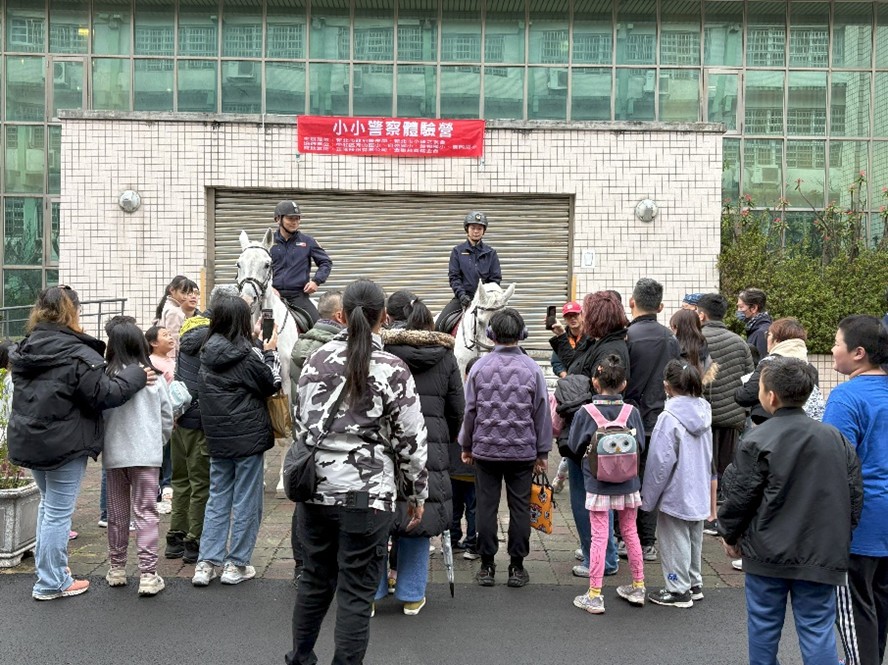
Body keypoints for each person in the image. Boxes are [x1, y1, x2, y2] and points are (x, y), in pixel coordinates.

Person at [286, 279, 428, 665]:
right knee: (355, 592)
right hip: (369, 497)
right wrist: (416, 495)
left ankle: (300, 657)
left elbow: (301, 422)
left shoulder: (315, 360)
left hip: (316, 491)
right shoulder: (392, 369)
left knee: (315, 582)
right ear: (384, 317)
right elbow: (411, 442)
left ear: (343, 316)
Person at [7, 286, 149, 601]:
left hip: (30, 439)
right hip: (64, 444)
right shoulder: (77, 352)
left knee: (49, 507)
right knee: (57, 511)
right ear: (72, 313)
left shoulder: (27, 347)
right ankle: (50, 582)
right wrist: (136, 377)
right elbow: (104, 394)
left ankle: (51, 573)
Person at [719, 357, 863, 665]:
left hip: (766, 552)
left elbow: (740, 496)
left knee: (763, 628)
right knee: (817, 630)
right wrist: (844, 532)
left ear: (770, 396)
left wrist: (729, 534)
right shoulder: (834, 437)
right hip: (822, 553)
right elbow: (853, 494)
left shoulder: (757, 438)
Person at [378, 290, 464, 615]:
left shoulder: (380, 351)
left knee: (379, 514)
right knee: (420, 516)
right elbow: (459, 410)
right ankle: (412, 595)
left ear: (388, 316)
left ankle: (372, 592)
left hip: (384, 444)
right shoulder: (445, 355)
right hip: (430, 446)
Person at [191, 296, 281, 587]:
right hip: (248, 439)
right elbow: (270, 383)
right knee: (245, 501)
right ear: (243, 321)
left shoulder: (206, 351)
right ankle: (235, 565)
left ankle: (206, 563)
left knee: (217, 498)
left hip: (217, 438)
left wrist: (254, 344)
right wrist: (268, 352)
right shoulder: (245, 355)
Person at [460, 307, 551, 588]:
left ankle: (487, 567)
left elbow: (470, 411)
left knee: (486, 507)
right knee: (520, 507)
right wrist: (543, 452)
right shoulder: (533, 369)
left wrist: (466, 444)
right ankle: (516, 567)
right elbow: (542, 413)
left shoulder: (478, 367)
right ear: (522, 335)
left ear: (491, 334)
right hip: (522, 452)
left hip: (485, 450)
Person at [823, 315, 888, 665]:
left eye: (837, 343)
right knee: (879, 603)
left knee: (854, 609)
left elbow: (833, 464)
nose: (833, 350)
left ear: (859, 353)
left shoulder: (846, 397)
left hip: (860, 520)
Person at [165, 285, 239, 565]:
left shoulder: (189, 329)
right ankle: (193, 541)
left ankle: (174, 538)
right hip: (202, 421)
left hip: (181, 417)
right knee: (201, 484)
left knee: (180, 481)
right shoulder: (216, 340)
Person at [567, 355, 646, 614]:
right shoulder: (631, 412)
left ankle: (595, 594)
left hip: (598, 485)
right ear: (624, 384)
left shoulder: (586, 412)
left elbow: (575, 446)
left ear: (594, 382)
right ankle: (638, 586)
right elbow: (641, 446)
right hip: (628, 484)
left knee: (599, 537)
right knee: (631, 532)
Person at [559, 290, 630, 577]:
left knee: (586, 499)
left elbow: (590, 387)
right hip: (593, 432)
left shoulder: (609, 350)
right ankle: (596, 549)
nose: (583, 318)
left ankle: (600, 559)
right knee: (594, 500)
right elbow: (575, 364)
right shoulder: (603, 343)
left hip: (591, 434)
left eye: (587, 313)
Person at [102, 322, 174, 597]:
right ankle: (147, 574)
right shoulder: (153, 379)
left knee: (117, 514)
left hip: (115, 455)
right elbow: (167, 417)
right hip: (146, 455)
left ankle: (117, 568)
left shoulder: (106, 379)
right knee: (146, 513)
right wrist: (159, 442)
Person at [641, 360, 713, 608]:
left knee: (674, 541)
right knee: (694, 537)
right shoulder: (705, 411)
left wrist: (648, 498)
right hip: (699, 485)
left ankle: (677, 587)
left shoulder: (668, 417)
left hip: (676, 488)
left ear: (666, 387)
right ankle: (694, 583)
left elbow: (659, 463)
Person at [624, 278, 682, 563]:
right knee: (651, 481)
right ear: (659, 307)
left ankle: (623, 538)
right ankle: (646, 542)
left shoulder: (626, 337)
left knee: (622, 478)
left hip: (626, 419)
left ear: (631, 302)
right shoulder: (670, 339)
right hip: (659, 419)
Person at [696, 293, 753, 491]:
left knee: (703, 471)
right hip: (732, 416)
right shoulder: (740, 343)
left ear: (702, 315)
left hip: (702, 418)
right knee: (726, 470)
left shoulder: (696, 341)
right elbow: (749, 380)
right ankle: (723, 510)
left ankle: (706, 513)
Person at [734, 317, 825, 425]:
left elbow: (745, 396)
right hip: (808, 427)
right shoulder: (810, 368)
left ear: (777, 340)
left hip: (775, 428)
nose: (766, 339)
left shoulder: (770, 363)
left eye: (768, 335)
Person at [435, 211, 502, 333]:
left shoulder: (491, 253)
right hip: (463, 298)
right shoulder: (457, 251)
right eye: (473, 228)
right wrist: (461, 295)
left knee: (505, 326)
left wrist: (487, 297)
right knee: (439, 326)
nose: (476, 231)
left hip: (485, 300)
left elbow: (495, 279)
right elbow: (454, 277)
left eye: (479, 228)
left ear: (483, 231)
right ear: (467, 229)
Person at [269, 200, 333, 325]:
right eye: (290, 218)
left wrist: (316, 281)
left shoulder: (308, 241)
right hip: (273, 295)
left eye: (297, 218)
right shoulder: (268, 242)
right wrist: (270, 288)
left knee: (319, 328)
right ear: (277, 219)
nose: (295, 222)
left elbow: (326, 262)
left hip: (298, 296)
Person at [146, 325, 176, 515]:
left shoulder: (172, 359)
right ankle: (161, 490)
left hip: (175, 414)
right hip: (161, 415)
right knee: (163, 454)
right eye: (165, 335)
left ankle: (167, 489)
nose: (171, 337)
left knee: (171, 454)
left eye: (170, 333)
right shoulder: (151, 363)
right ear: (153, 343)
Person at [153, 275, 199, 358]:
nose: (185, 297)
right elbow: (173, 339)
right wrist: (174, 360)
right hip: (171, 356)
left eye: (187, 293)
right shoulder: (174, 311)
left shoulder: (166, 305)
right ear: (172, 290)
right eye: (182, 292)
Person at [549, 301, 586, 378]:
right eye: (568, 316)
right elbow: (556, 362)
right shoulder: (562, 338)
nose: (572, 318)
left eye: (575, 315)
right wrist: (565, 377)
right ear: (565, 319)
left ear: (582, 315)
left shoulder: (591, 337)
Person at [736, 288, 772, 360]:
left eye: (741, 307)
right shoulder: (755, 328)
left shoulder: (761, 333)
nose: (738, 310)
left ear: (754, 308)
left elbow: (762, 364)